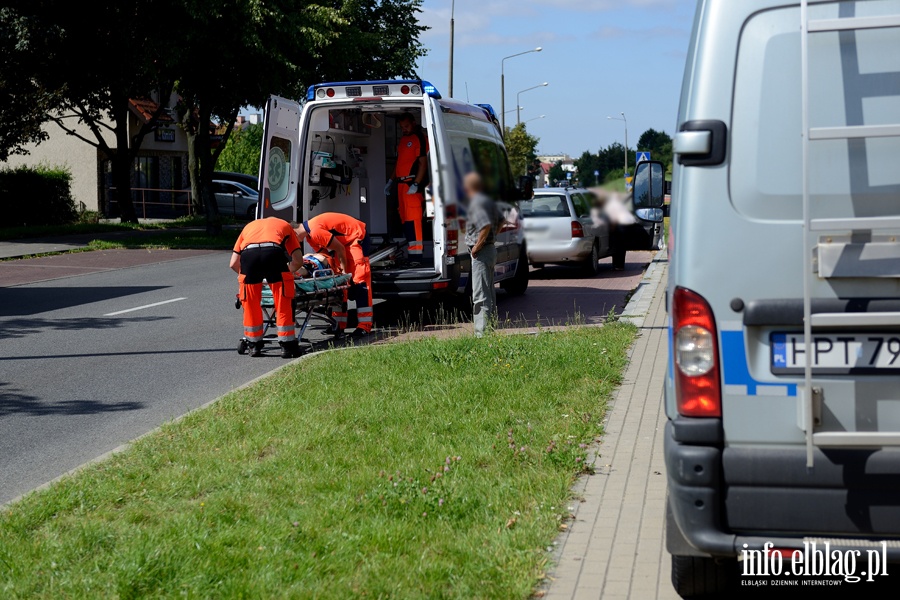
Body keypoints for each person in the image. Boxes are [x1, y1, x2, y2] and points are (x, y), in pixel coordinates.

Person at [230, 217, 304, 358]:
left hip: (249, 258)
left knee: (250, 304)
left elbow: (233, 263)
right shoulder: (285, 226)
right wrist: (287, 271)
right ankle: (287, 346)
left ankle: (254, 345)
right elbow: (298, 260)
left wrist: (249, 274)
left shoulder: (248, 227)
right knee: (283, 301)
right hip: (273, 255)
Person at [295, 212, 373, 338]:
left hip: (356, 238)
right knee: (339, 284)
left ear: (294, 232)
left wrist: (343, 271)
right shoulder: (311, 236)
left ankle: (365, 326)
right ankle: (338, 325)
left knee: (360, 281)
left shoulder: (315, 231)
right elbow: (326, 257)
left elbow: (340, 249)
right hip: (345, 243)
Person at [384, 112, 429, 264]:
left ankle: (416, 256)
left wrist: (416, 183)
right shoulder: (403, 140)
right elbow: (399, 163)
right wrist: (391, 181)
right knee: (404, 220)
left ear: (414, 123)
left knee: (413, 221)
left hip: (411, 185)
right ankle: (411, 254)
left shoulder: (419, 138)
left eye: (407, 126)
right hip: (401, 185)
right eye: (402, 127)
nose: (404, 129)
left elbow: (423, 163)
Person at [463, 172, 500, 338]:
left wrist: (477, 247)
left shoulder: (477, 202)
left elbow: (484, 225)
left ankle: (481, 334)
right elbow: (501, 221)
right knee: (489, 292)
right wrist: (492, 237)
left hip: (481, 252)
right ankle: (490, 328)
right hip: (490, 249)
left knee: (480, 295)